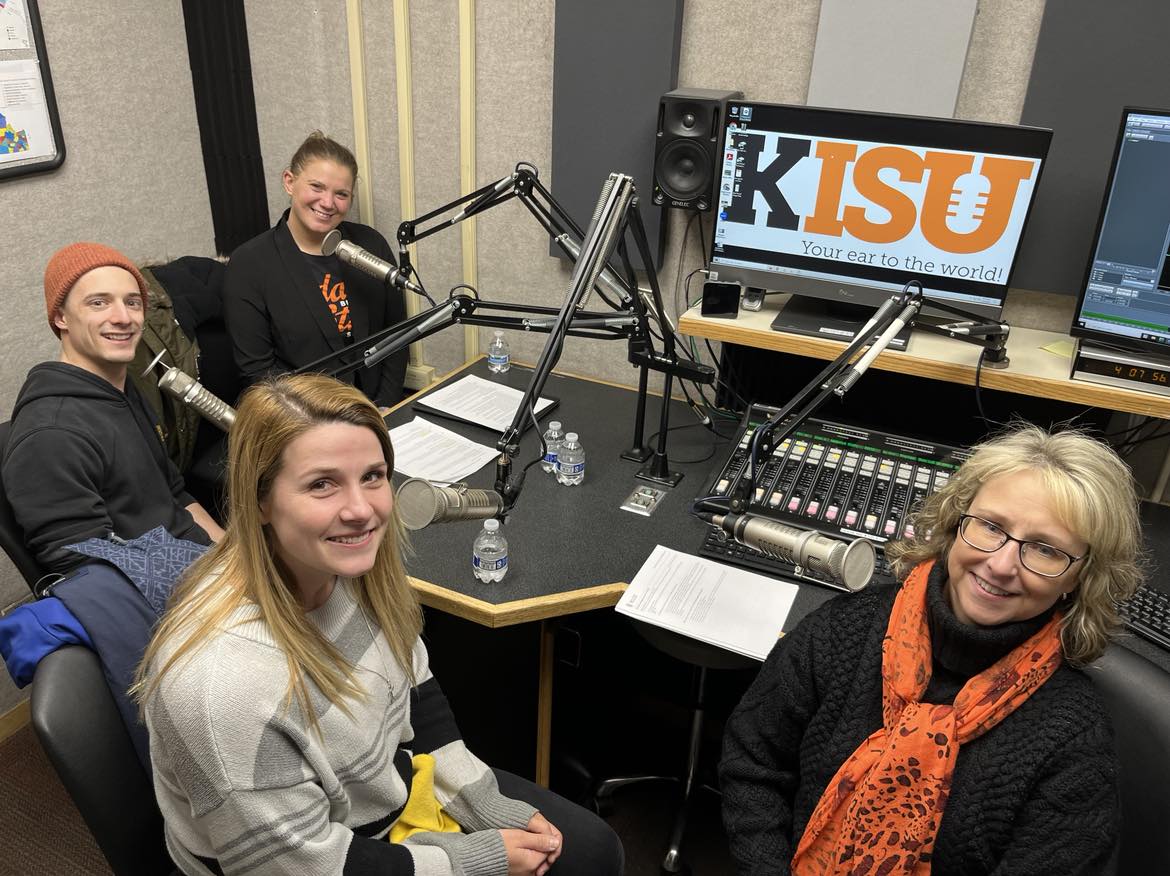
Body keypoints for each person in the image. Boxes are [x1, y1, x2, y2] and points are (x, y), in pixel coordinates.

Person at [133, 374, 623, 876]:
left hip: (378, 805)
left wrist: (482, 801)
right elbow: (305, 868)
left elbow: (416, 690)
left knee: (593, 849)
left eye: (372, 476)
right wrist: (475, 859)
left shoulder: (352, 574)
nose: (361, 510)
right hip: (305, 861)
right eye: (322, 484)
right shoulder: (220, 687)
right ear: (259, 500)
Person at [720, 423, 1143, 875]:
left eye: (1044, 550)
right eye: (990, 526)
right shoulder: (840, 631)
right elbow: (753, 762)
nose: (1000, 565)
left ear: (1079, 577)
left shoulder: (1073, 738)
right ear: (955, 522)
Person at [3, 242, 224, 576]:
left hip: (203, 568)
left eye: (132, 302)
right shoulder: (51, 434)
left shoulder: (121, 391)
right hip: (164, 602)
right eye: (98, 303)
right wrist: (222, 585)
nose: (123, 317)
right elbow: (90, 573)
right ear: (61, 316)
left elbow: (174, 495)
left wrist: (232, 554)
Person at [224, 131, 408, 408]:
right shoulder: (249, 265)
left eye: (341, 194)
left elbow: (398, 333)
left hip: (378, 410)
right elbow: (259, 374)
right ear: (289, 182)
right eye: (317, 187)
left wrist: (385, 408)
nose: (328, 203)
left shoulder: (370, 244)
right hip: (305, 420)